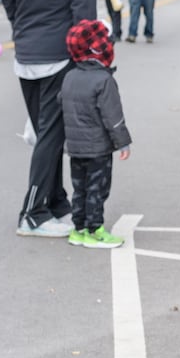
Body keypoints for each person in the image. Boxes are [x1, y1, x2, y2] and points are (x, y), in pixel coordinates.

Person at [0, 0, 98, 237]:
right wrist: (92, 58)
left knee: (45, 135)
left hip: (26, 53)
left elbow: (11, 10)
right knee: (51, 137)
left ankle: (57, 202)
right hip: (62, 54)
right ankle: (32, 212)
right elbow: (84, 15)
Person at [61, 19, 131, 248]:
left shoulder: (69, 77)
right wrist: (122, 143)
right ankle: (95, 230)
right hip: (98, 148)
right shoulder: (104, 80)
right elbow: (113, 117)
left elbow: (61, 102)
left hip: (75, 147)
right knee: (97, 189)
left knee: (79, 188)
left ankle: (78, 228)